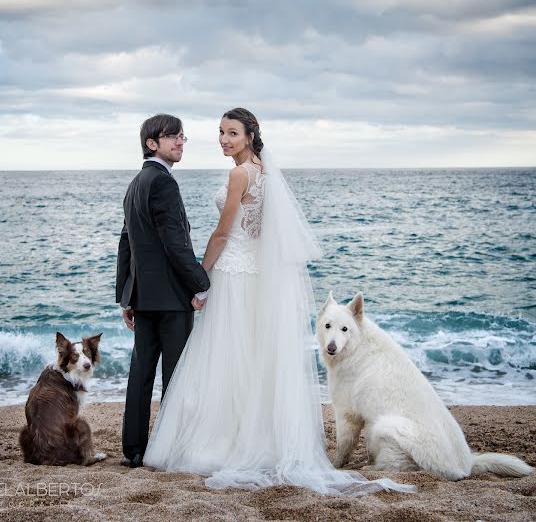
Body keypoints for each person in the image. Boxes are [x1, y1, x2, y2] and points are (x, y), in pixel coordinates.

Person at [143, 108, 415, 494]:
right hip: (258, 277)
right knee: (255, 357)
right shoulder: (267, 173)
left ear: (250, 135)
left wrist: (199, 279)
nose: (223, 139)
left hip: (236, 275)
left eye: (232, 133)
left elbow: (222, 234)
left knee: (228, 358)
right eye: (220, 132)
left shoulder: (240, 174)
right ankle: (260, 438)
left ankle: (226, 441)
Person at [116, 113, 210, 468]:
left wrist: (125, 295)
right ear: (152, 143)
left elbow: (126, 243)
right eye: (172, 137)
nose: (180, 142)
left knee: (140, 375)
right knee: (175, 375)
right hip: (171, 298)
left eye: (182, 137)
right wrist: (201, 284)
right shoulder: (164, 183)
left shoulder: (135, 183)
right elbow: (175, 243)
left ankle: (134, 451)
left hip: (143, 297)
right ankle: (169, 450)